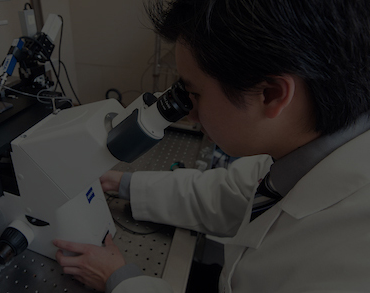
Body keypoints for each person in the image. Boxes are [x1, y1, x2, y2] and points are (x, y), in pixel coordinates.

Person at [53, 0, 370, 292]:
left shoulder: (351, 261)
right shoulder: (306, 148)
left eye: (195, 93)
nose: (188, 111)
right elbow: (234, 193)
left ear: (271, 94)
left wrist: (119, 280)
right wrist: (121, 182)